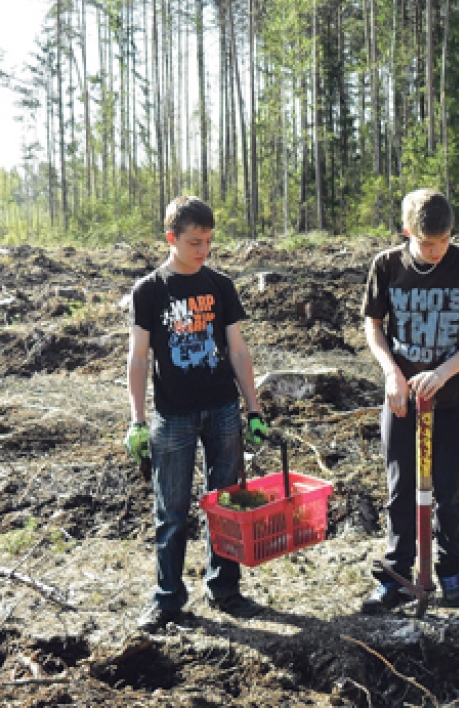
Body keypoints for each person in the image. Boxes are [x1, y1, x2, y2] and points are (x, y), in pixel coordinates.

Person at [125, 195, 269, 633]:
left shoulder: (221, 286)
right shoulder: (149, 291)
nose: (203, 250)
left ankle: (224, 589)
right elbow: (137, 358)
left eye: (208, 241)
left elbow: (238, 349)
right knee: (170, 510)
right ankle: (168, 599)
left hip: (223, 409)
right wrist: (136, 419)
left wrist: (254, 408)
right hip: (173, 416)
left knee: (226, 504)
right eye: (194, 242)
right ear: (171, 239)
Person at [360, 188, 459, 613]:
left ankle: (451, 573)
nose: (436, 251)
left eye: (443, 241)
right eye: (426, 243)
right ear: (407, 232)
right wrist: (391, 373)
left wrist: (442, 373)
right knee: (400, 489)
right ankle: (397, 576)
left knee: (451, 491)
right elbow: (374, 325)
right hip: (403, 400)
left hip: (456, 400)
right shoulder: (386, 265)